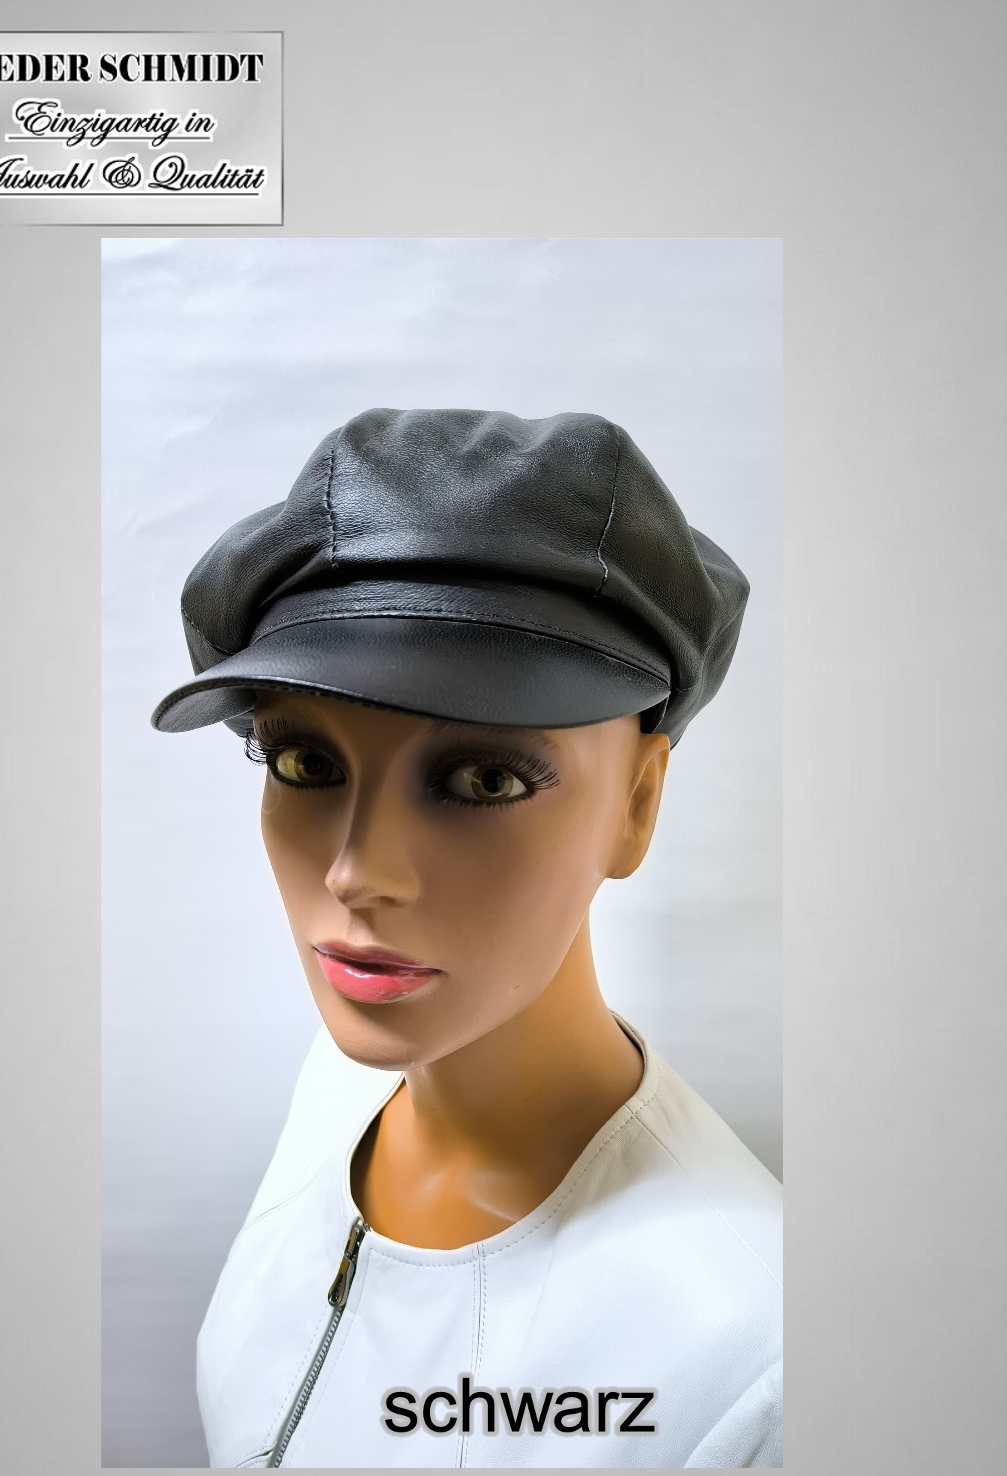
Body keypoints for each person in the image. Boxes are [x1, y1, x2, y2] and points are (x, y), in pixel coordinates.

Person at [152, 407, 782, 1468]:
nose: (357, 871)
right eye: (305, 763)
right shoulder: (336, 1093)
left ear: (637, 803)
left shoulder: (753, 1359)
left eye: (485, 778)